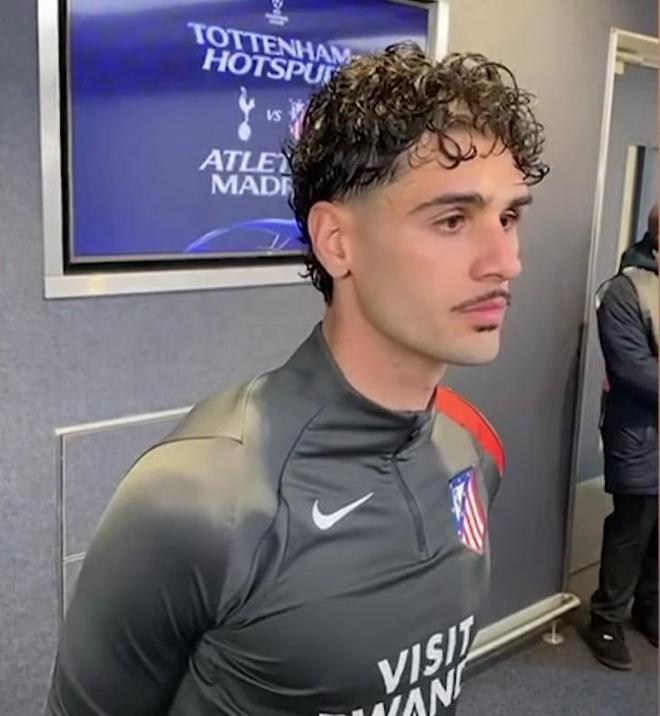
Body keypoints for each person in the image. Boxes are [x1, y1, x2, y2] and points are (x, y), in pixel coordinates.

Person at [46, 44, 548, 715]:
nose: (505, 261)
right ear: (337, 241)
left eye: (509, 217)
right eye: (453, 220)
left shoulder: (472, 448)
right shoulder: (197, 499)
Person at [586, 205, 659, 670]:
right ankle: (607, 620)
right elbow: (633, 368)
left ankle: (650, 609)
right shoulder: (623, 291)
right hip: (638, 431)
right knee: (632, 526)